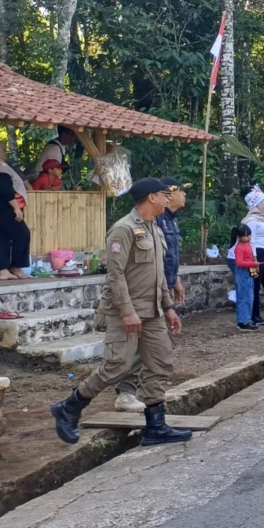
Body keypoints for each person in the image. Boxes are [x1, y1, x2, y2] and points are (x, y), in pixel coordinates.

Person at [49, 178, 191, 446]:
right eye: (164, 194)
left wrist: (169, 307)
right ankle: (69, 407)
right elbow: (115, 276)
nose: (167, 199)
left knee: (160, 363)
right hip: (124, 312)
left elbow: (159, 275)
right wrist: (127, 312)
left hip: (153, 312)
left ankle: (155, 427)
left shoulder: (155, 230)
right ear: (151, 197)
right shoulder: (122, 230)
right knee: (118, 366)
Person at [115, 178, 186, 412]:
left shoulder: (166, 222)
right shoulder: (144, 222)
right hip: (141, 293)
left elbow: (165, 259)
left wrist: (173, 283)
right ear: (154, 197)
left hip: (159, 291)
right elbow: (117, 273)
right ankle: (126, 393)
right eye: (172, 192)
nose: (179, 195)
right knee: (134, 350)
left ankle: (153, 413)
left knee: (158, 354)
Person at [0, 140, 29, 281]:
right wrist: (16, 208)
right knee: (23, 234)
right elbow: (5, 190)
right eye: (3, 149)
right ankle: (16, 266)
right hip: (5, 210)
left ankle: (3, 271)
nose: (5, 152)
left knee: (1, 238)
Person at [241, 187, 264, 325]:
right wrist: (254, 259)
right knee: (255, 285)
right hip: (257, 253)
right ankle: (254, 315)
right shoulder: (251, 220)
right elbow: (252, 241)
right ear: (259, 204)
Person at [229, 224, 260, 331]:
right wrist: (253, 263)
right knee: (244, 297)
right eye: (246, 236)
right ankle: (243, 321)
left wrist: (254, 265)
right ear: (239, 237)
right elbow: (239, 262)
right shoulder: (239, 247)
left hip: (248, 272)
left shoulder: (247, 245)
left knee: (249, 296)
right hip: (243, 273)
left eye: (249, 235)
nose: (249, 237)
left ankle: (246, 319)